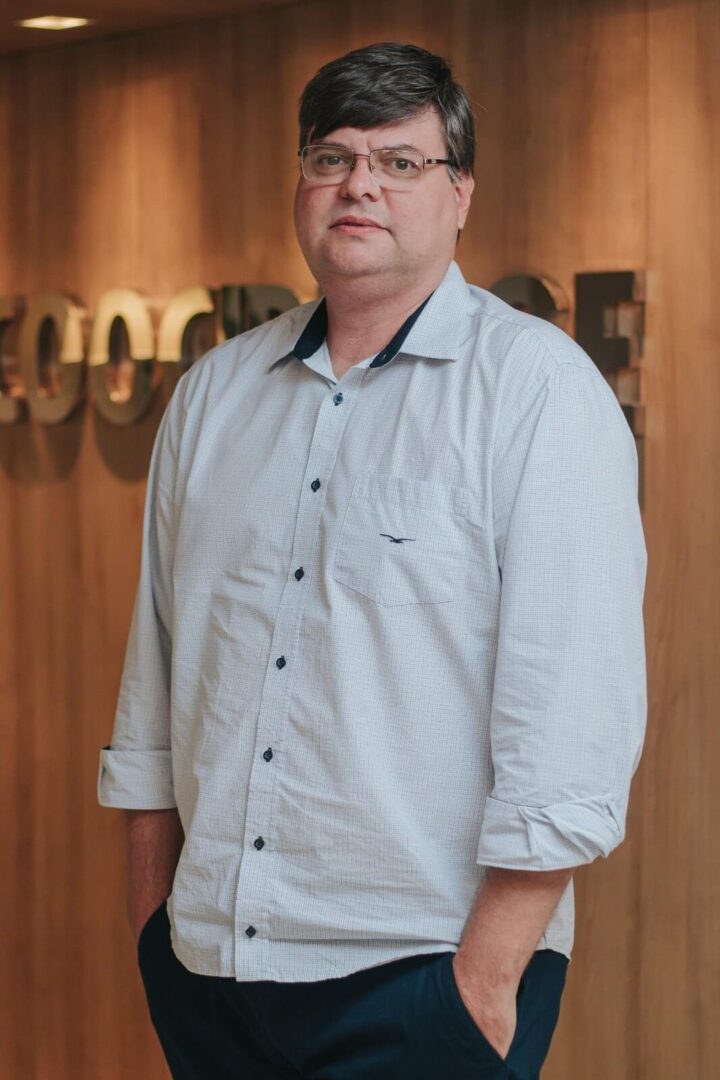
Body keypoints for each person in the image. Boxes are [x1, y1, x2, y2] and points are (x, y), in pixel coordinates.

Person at [98, 41, 647, 1080]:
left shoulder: (535, 391)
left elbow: (574, 720)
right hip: (212, 969)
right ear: (303, 185)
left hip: (423, 976)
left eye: (400, 162)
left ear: (460, 194)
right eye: (332, 157)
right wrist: (154, 931)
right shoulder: (215, 395)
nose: (359, 184)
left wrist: (480, 987)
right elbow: (156, 689)